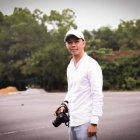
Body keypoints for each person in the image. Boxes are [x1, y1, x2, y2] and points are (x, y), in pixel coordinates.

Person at [55, 29, 103, 140]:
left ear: (84, 43)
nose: (73, 45)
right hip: (73, 121)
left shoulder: (91, 65)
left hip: (86, 122)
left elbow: (97, 95)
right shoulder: (70, 65)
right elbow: (71, 91)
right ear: (66, 45)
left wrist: (94, 122)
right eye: (70, 42)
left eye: (76, 41)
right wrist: (64, 106)